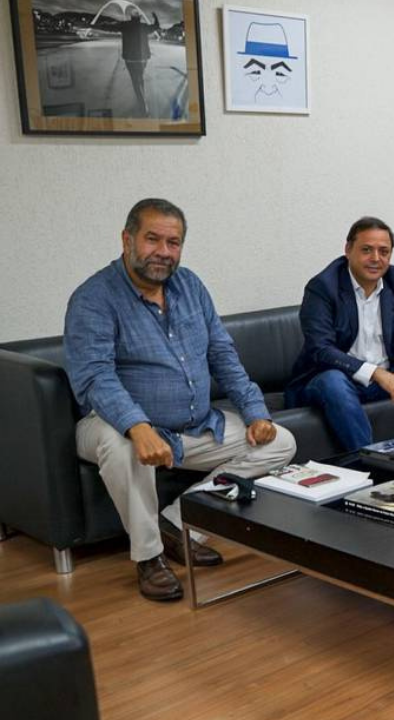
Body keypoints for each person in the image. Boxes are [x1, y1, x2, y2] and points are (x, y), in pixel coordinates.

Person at [64, 198, 297, 602]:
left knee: (281, 442)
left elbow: (222, 354)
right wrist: (137, 426)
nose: (164, 251)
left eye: (173, 242)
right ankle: (149, 557)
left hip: (194, 425)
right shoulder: (94, 298)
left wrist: (255, 411)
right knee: (122, 446)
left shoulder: (190, 286)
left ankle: (178, 522)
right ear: (127, 239)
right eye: (152, 239)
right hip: (111, 423)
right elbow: (94, 378)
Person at [285, 216, 394, 452]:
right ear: (348, 249)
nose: (376, 259)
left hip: (387, 375)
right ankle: (374, 464)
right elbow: (321, 349)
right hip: (335, 379)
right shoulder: (323, 287)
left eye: (383, 251)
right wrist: (376, 373)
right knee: (333, 381)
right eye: (366, 250)